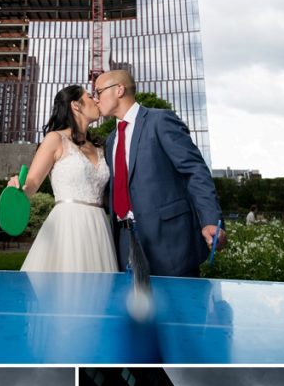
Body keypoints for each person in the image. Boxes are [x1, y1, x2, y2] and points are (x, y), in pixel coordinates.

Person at [92, 70, 224, 277]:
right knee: (133, 307)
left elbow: (194, 170)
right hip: (124, 240)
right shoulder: (110, 141)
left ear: (119, 90)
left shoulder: (160, 121)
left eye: (98, 92)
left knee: (178, 307)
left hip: (169, 240)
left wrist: (210, 219)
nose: (95, 99)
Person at [8, 84, 117, 273]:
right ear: (76, 105)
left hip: (99, 226)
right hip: (68, 225)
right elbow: (32, 183)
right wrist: (18, 188)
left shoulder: (100, 147)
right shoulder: (55, 139)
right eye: (91, 97)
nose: (96, 100)